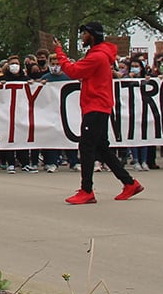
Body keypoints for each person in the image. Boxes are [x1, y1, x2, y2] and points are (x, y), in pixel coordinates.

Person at [51, 22, 142, 204]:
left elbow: (73, 71)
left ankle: (87, 190)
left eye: (84, 34)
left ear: (91, 35)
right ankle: (129, 182)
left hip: (96, 105)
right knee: (101, 148)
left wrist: (59, 52)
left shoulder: (97, 56)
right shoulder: (99, 54)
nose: (82, 37)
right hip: (98, 105)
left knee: (86, 147)